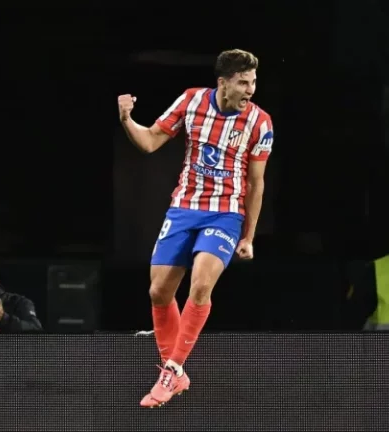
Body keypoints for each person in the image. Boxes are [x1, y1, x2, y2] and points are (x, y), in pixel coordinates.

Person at [117, 48, 274, 407]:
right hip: (185, 208)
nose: (250, 89)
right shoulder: (191, 101)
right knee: (158, 293)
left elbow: (256, 182)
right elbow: (151, 140)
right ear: (223, 82)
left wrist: (249, 236)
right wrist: (127, 119)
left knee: (201, 284)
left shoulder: (260, 122)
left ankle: (171, 369)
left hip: (225, 214)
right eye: (243, 82)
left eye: (253, 82)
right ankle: (175, 372)